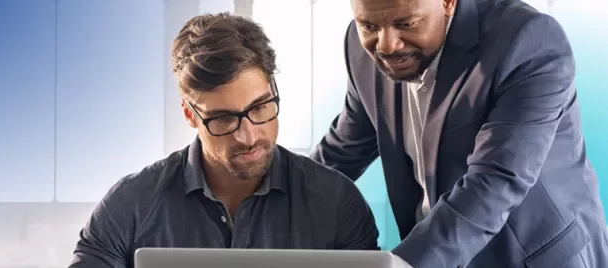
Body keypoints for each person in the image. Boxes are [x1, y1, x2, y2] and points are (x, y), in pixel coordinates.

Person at [68, 12, 379, 268]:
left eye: (260, 108)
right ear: (190, 115)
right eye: (223, 118)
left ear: (274, 90)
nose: (248, 136)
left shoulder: (338, 204)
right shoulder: (130, 207)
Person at [310, 0, 608, 267]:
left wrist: (404, 264)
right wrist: (283, 193)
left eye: (407, 23)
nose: (387, 45)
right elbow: (342, 151)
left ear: (448, 2)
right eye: (369, 26)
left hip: (533, 257)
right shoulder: (361, 47)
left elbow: (496, 180)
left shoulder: (528, 41)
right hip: (432, 255)